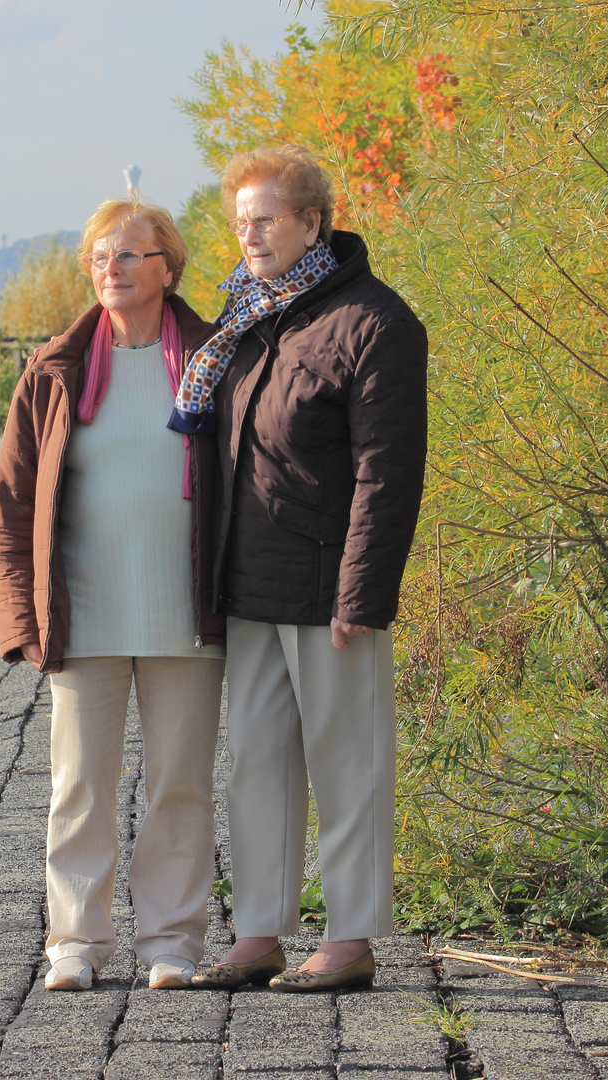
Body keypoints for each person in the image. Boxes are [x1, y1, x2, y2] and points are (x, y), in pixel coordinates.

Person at [174, 145, 428, 992]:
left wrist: (363, 595)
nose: (249, 235)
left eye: (266, 218)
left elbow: (387, 473)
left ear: (312, 221)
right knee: (256, 765)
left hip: (330, 595)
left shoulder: (375, 323)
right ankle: (258, 935)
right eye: (240, 220)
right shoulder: (248, 319)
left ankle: (350, 940)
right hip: (250, 587)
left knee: (347, 762)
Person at [0, 198, 226, 992]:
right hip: (81, 612)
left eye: (127, 255)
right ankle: (76, 942)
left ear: (168, 268)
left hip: (186, 611)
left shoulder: (215, 359)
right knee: (80, 783)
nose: (110, 270)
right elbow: (12, 506)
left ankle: (170, 942)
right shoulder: (53, 370)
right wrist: (21, 619)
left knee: (181, 784)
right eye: (98, 257)